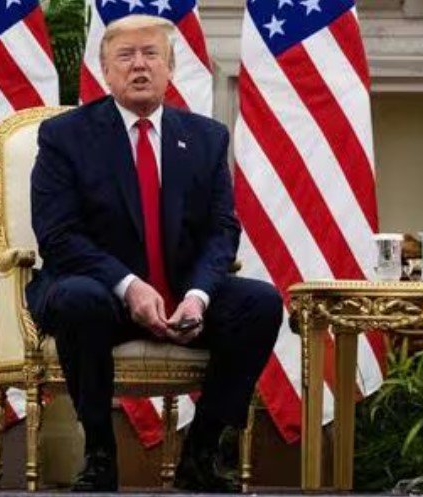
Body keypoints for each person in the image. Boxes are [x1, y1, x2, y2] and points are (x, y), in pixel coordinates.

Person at [26, 14, 283, 492]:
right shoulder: (66, 137)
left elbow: (222, 231)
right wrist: (129, 285)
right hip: (101, 295)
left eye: (151, 55)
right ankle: (100, 455)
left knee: (261, 302)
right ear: (106, 70)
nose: (139, 66)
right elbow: (58, 235)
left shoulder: (205, 139)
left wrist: (199, 297)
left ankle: (200, 455)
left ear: (170, 68)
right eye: (126, 56)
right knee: (79, 299)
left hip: (179, 296)